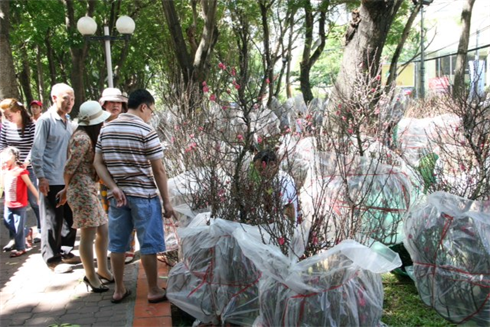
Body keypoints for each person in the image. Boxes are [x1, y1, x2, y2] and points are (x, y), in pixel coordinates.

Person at [94, 89, 174, 304]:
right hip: (144, 196)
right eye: (151, 111)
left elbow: (98, 163)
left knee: (118, 244)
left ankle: (119, 289)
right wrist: (166, 201)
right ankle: (154, 289)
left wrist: (113, 187)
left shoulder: (106, 129)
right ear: (143, 107)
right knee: (148, 243)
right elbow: (159, 170)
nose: (151, 115)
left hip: (117, 197)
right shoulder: (145, 130)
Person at [57, 101, 112, 292]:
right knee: (88, 234)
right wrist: (67, 189)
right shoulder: (82, 139)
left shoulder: (85, 136)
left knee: (103, 231)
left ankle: (103, 269)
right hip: (81, 189)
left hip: (87, 187)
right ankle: (90, 276)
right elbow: (70, 167)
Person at [31, 83, 80, 273]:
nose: (69, 102)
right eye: (65, 98)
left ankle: (66, 251)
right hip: (51, 178)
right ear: (54, 98)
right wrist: (41, 177)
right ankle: (52, 259)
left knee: (70, 217)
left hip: (68, 178)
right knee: (52, 220)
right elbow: (37, 151)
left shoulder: (70, 122)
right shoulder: (46, 121)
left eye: (72, 98)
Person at [98, 88, 135, 264]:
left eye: (118, 102)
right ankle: (116, 248)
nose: (115, 105)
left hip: (128, 178)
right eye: (111, 102)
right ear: (103, 104)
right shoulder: (98, 126)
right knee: (110, 214)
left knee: (130, 211)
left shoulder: (130, 123)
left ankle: (128, 248)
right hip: (105, 179)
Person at [0, 99, 41, 245]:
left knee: (33, 200)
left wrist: (26, 162)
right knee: (11, 203)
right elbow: (2, 145)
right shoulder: (6, 125)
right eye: (5, 115)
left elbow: (34, 146)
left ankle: (41, 230)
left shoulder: (31, 125)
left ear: (18, 112)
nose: (8, 118)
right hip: (10, 170)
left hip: (27, 168)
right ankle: (15, 237)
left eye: (9, 115)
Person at [1, 147, 39, 257]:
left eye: (5, 158)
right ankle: (27, 231)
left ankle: (20, 248)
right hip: (8, 203)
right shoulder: (5, 170)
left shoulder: (21, 171)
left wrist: (37, 197)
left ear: (13, 157)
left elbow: (30, 185)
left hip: (20, 204)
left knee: (18, 227)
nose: (4, 160)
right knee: (7, 222)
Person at [252, 149, 298, 223]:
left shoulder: (284, 181)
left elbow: (289, 210)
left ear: (272, 164)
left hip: (284, 227)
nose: (260, 174)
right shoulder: (271, 180)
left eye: (261, 169)